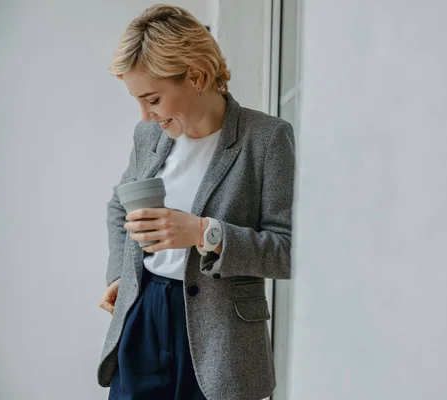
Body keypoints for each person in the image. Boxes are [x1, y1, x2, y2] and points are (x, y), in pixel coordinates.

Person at [96, 4, 295, 399]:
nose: (145, 115)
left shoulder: (267, 139)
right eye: (138, 101)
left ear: (197, 77)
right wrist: (120, 274)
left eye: (152, 98)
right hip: (143, 313)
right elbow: (120, 205)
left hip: (222, 336)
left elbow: (288, 250)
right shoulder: (149, 136)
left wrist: (206, 232)